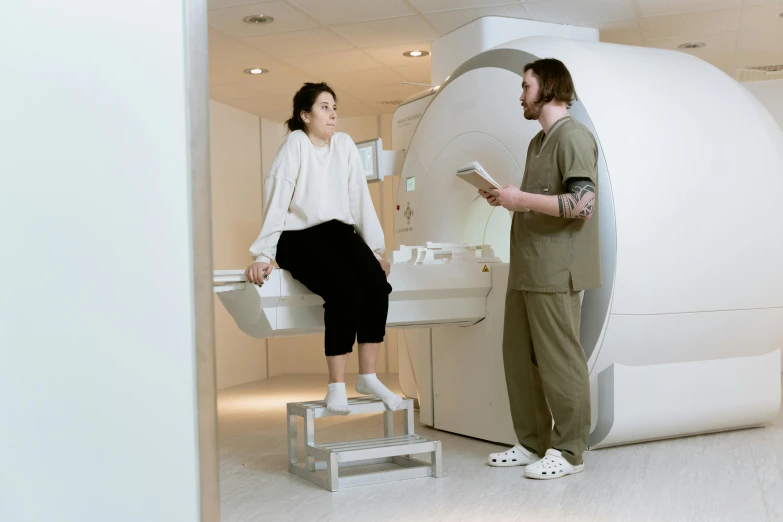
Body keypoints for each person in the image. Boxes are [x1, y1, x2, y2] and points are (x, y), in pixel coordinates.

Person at [245, 82, 402, 416]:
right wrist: (262, 254)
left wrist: (375, 249)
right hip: (298, 237)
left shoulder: (343, 145)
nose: (333, 114)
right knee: (343, 290)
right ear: (305, 115)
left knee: (376, 285)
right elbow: (277, 197)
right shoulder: (296, 144)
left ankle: (368, 377)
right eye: (324, 107)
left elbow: (360, 197)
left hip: (338, 233)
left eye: (335, 107)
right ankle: (335, 386)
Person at [479, 59, 601, 480]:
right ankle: (532, 443)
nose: (521, 94)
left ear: (548, 87)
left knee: (560, 361)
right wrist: (506, 198)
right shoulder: (537, 143)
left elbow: (582, 205)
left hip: (556, 269)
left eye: (526, 85)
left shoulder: (574, 138)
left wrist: (523, 200)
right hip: (527, 268)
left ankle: (569, 451)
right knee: (519, 357)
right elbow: (538, 199)